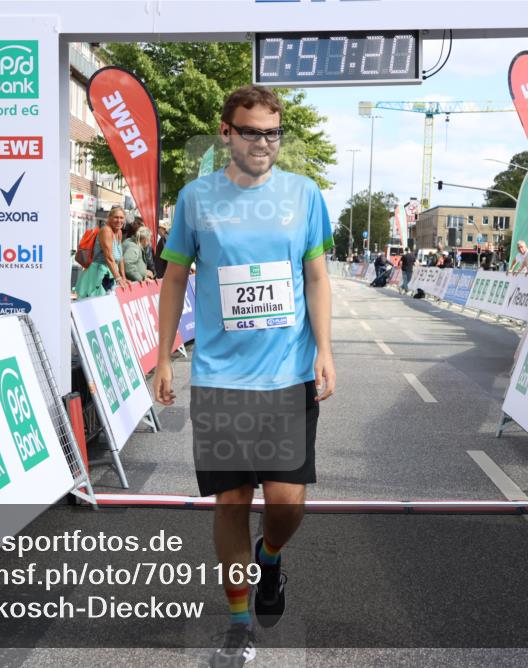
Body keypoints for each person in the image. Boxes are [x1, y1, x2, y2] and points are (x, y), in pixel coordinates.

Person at [153, 85, 335, 667]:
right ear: (226, 132)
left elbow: (316, 277)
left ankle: (272, 557)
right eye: (252, 131)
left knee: (288, 504)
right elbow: (175, 280)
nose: (263, 142)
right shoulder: (195, 199)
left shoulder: (304, 195)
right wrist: (162, 355)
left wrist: (326, 349)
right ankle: (237, 626)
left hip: (285, 374)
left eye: (272, 133)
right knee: (230, 501)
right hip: (220, 376)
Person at [75, 206, 129, 297]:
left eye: (121, 218)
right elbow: (109, 257)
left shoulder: (119, 232)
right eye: (116, 217)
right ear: (109, 218)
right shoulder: (106, 230)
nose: (119, 220)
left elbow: (120, 258)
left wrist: (123, 277)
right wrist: (119, 278)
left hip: (110, 275)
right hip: (97, 276)